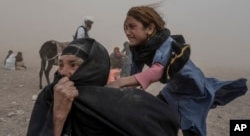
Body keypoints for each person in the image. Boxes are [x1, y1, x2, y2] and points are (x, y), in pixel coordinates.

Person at [105, 4, 248, 136]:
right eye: (125, 28)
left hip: (193, 92)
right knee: (154, 113)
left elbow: (157, 71)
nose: (127, 32)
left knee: (191, 128)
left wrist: (121, 82)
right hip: (173, 90)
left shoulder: (166, 44)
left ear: (150, 28)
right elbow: (135, 76)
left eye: (132, 27)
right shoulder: (139, 49)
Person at [27, 38, 179, 136]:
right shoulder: (49, 97)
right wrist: (58, 117)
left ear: (93, 68)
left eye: (73, 64)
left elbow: (163, 120)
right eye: (60, 65)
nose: (63, 73)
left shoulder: (117, 103)